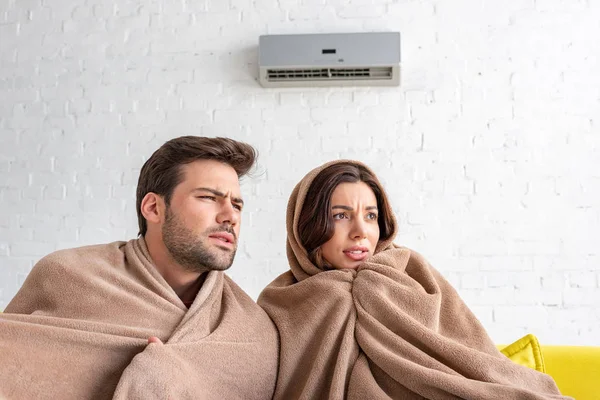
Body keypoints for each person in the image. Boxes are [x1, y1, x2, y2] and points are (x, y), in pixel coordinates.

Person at [258, 159, 570, 400]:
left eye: (370, 215)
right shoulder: (282, 300)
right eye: (340, 215)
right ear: (307, 225)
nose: (360, 231)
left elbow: (473, 355)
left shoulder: (409, 272)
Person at [0, 136, 278, 399]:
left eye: (237, 205)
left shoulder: (251, 330)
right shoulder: (65, 275)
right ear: (154, 208)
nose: (230, 216)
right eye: (208, 197)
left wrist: (163, 378)